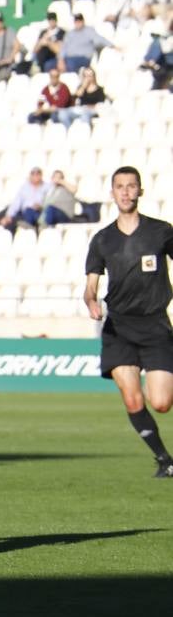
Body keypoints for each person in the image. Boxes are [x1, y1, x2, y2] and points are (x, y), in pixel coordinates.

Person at [82, 166, 173, 478]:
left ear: (140, 191)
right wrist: (91, 300)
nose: (125, 191)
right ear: (112, 193)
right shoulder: (103, 240)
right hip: (118, 328)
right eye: (119, 186)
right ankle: (165, 460)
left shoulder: (161, 232)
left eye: (131, 186)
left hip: (155, 325)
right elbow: (91, 284)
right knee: (133, 398)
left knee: (161, 403)